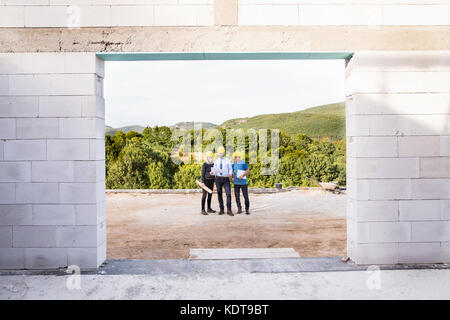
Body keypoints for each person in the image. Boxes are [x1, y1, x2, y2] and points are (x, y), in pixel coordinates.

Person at [210, 146, 233, 216]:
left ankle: (229, 210)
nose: (221, 154)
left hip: (226, 179)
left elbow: (231, 169)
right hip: (218, 179)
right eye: (219, 153)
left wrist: (230, 174)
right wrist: (212, 173)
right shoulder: (216, 161)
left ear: (224, 153)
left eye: (222, 153)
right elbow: (214, 170)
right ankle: (221, 209)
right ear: (218, 153)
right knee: (219, 194)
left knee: (228, 194)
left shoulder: (228, 160)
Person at [200, 151, 216, 215]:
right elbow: (203, 174)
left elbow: (214, 174)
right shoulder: (205, 164)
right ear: (207, 158)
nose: (210, 158)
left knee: (210, 195)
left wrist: (214, 182)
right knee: (204, 195)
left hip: (211, 181)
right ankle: (202, 209)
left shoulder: (213, 164)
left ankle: (209, 208)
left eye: (211, 157)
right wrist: (202, 182)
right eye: (209, 157)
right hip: (206, 182)